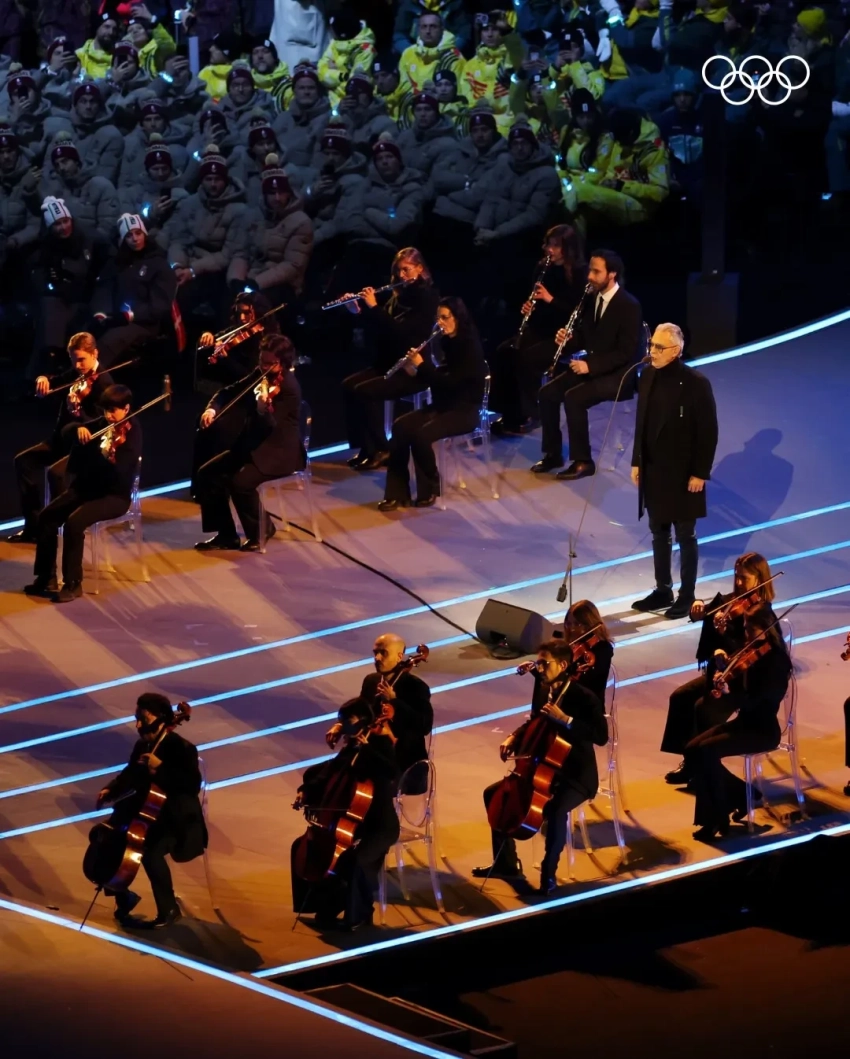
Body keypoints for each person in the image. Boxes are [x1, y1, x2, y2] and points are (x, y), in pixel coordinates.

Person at [472, 638, 608, 893]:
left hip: (575, 774)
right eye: (539, 663)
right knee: (493, 794)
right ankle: (506, 863)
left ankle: (549, 872)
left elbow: (601, 737)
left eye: (545, 664)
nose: (539, 669)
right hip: (542, 769)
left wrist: (566, 720)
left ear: (563, 665)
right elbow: (536, 721)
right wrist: (514, 736)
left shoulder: (584, 697)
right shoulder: (544, 688)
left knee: (556, 810)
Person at [661, 552, 778, 786]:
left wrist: (726, 641)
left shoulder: (760, 613)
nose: (739, 582)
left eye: (745, 578)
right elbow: (708, 614)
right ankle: (690, 760)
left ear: (759, 579)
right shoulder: (730, 602)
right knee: (680, 697)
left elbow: (750, 650)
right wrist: (698, 610)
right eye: (736, 576)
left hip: (739, 682)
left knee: (703, 708)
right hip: (719, 673)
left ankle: (702, 766)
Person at [96, 692, 207, 928]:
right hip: (148, 814)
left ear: (162, 719)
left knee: (150, 852)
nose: (138, 725)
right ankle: (123, 896)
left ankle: (169, 909)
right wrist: (110, 790)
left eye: (143, 719)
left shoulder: (182, 748)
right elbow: (129, 774)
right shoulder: (143, 745)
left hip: (176, 819)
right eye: (136, 719)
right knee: (112, 840)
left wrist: (160, 768)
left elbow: (191, 786)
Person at [630, 322, 719, 619]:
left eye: (659, 347)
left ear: (676, 351)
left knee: (685, 534)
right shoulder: (647, 376)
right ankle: (663, 590)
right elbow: (641, 423)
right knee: (658, 531)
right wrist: (637, 461)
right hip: (654, 470)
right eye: (651, 345)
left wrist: (700, 472)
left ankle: (687, 594)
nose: (653, 351)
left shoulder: (695, 383)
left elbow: (708, 431)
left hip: (683, 474)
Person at [684, 606, 793, 842]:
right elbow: (740, 688)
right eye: (745, 629)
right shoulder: (752, 652)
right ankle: (742, 795)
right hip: (745, 722)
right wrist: (722, 671)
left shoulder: (777, 662)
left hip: (762, 730)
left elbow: (758, 701)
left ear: (765, 629)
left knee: (707, 751)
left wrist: (731, 692)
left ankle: (715, 819)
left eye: (750, 630)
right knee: (692, 750)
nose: (746, 635)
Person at [25, 382, 142, 602]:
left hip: (114, 496)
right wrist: (78, 429)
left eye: (113, 411)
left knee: (74, 522)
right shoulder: (104, 423)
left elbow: (121, 472)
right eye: (105, 410)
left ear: (126, 409)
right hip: (88, 489)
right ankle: (46, 577)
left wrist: (107, 455)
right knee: (47, 516)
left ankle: (73, 583)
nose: (108, 416)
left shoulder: (133, 434)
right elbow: (67, 431)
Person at [534, 248, 642, 481]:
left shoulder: (628, 305)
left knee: (574, 398)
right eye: (590, 270)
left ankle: (583, 461)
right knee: (547, 393)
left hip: (619, 374)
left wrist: (590, 367)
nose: (590, 276)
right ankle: (553, 454)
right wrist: (569, 339)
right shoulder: (593, 299)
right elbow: (587, 338)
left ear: (612, 274)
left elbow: (626, 353)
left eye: (596, 271)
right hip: (594, 365)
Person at [292, 696, 399, 931]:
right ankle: (321, 906)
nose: (342, 728)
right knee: (302, 847)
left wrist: (368, 749)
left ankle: (360, 915)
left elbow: (391, 773)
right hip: (353, 823)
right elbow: (330, 771)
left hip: (379, 826)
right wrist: (305, 790)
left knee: (356, 860)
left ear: (362, 721)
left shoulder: (380, 744)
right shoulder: (352, 745)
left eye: (346, 722)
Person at [194, 333, 305, 552]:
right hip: (252, 446)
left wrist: (262, 408)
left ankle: (261, 530)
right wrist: (211, 409)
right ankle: (226, 535)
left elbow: (270, 425)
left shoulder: (289, 389)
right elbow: (228, 391)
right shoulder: (261, 373)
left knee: (240, 483)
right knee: (207, 474)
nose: (263, 367)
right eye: (261, 361)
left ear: (282, 362)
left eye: (269, 363)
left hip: (277, 453)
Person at [380, 296, 486, 510]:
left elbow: (451, 384)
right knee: (400, 426)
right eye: (438, 318)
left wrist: (423, 365)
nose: (440, 322)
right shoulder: (447, 342)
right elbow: (438, 380)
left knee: (421, 435)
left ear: (457, 318)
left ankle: (430, 485)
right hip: (444, 405)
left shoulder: (469, 347)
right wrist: (413, 369)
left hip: (464, 410)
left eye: (445, 317)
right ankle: (396, 493)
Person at [341, 246, 439, 470]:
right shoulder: (398, 296)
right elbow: (381, 328)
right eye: (398, 271)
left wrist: (374, 307)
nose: (401, 276)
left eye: (406, 270)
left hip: (412, 371)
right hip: (389, 363)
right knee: (347, 386)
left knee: (364, 392)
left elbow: (403, 335)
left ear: (419, 268)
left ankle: (383, 449)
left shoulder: (427, 298)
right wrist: (357, 311)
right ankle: (366, 447)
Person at [10, 332, 113, 543]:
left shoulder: (104, 384)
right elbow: (56, 381)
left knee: (56, 474)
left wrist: (79, 414)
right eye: (73, 360)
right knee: (23, 461)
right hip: (61, 441)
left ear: (95, 354)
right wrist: (43, 379)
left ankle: (57, 530)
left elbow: (102, 425)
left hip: (83, 449)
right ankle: (33, 527)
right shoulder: (77, 373)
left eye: (81, 359)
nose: (77, 365)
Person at [490, 223, 588, 435]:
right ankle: (509, 412)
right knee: (504, 352)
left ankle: (532, 414)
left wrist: (549, 298)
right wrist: (529, 307)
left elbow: (577, 312)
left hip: (564, 334)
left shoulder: (579, 273)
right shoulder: (543, 267)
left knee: (527, 359)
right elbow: (535, 301)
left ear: (568, 248)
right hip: (540, 328)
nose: (550, 250)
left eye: (556, 246)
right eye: (548, 244)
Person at [326, 632, 433, 790]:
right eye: (375, 653)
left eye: (383, 653)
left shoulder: (416, 687)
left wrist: (395, 702)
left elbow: (424, 725)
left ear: (399, 656)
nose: (377, 658)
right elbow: (362, 711)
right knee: (325, 775)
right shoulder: (372, 681)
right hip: (370, 752)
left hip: (399, 762)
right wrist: (341, 725)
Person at [92, 212, 177, 366]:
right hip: (114, 317)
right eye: (129, 235)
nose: (135, 239)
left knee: (107, 344)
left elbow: (160, 306)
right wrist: (101, 312)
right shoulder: (117, 262)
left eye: (138, 233)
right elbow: (104, 288)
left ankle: (90, 377)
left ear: (144, 234)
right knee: (85, 333)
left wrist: (130, 315)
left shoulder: (158, 263)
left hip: (144, 324)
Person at [561, 598, 614, 703]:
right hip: (568, 702)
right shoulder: (570, 646)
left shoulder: (603, 649)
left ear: (589, 624)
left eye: (577, 624)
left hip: (588, 706)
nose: (571, 629)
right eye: (569, 623)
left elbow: (591, 685)